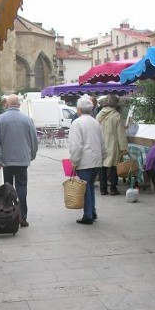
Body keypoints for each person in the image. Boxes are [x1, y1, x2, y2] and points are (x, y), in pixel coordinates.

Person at [0, 94, 38, 228]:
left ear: (7, 104)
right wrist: (31, 155)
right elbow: (34, 140)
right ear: (19, 104)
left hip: (6, 161)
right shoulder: (27, 120)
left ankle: (9, 214)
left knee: (8, 188)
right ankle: (22, 216)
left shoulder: (0, 119)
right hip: (22, 160)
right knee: (22, 187)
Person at [68, 96, 105, 224]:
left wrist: (74, 161)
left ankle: (88, 214)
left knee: (85, 188)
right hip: (96, 160)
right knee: (89, 187)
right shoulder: (95, 122)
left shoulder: (77, 123)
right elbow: (102, 143)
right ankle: (92, 211)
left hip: (85, 161)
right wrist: (102, 157)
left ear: (79, 109)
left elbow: (76, 145)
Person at [96, 94, 128, 196]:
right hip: (113, 144)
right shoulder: (116, 116)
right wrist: (124, 147)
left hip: (100, 144)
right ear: (115, 103)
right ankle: (113, 189)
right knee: (114, 166)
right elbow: (121, 133)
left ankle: (103, 189)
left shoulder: (99, 115)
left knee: (102, 167)